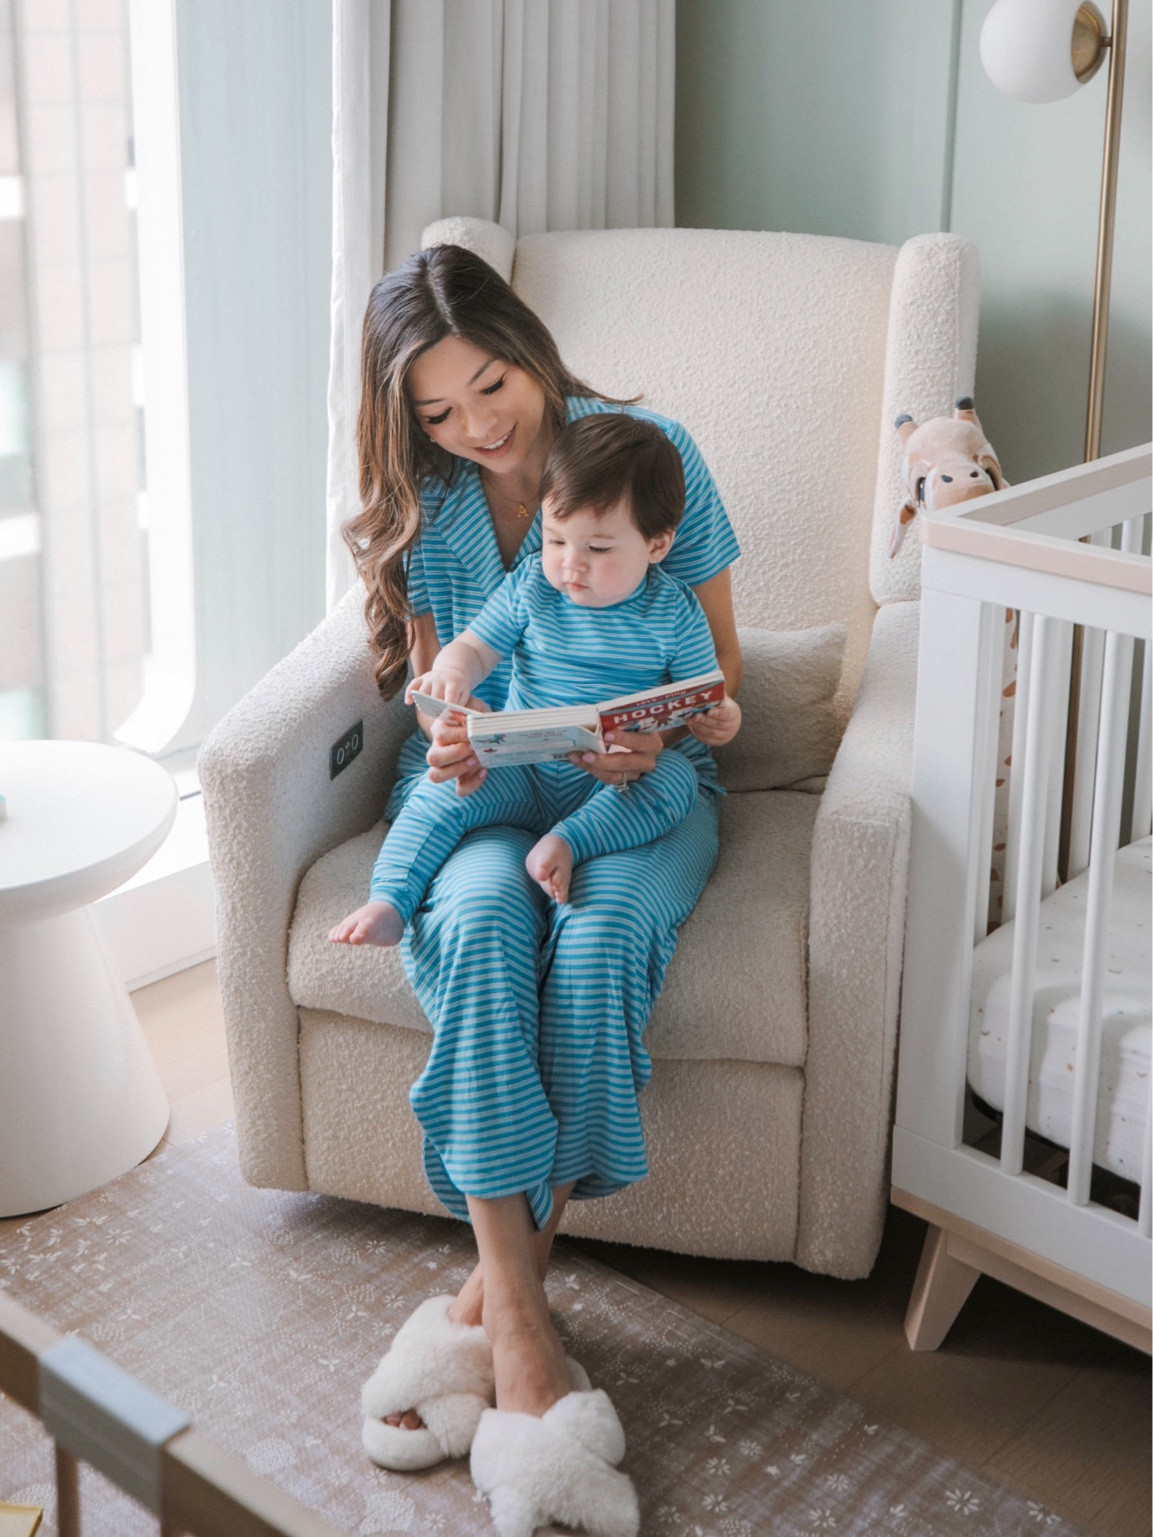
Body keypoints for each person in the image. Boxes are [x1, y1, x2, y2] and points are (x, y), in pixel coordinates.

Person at [344, 243, 741, 1535]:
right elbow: (434, 682)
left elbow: (715, 670)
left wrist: (657, 738)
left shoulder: (647, 451)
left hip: (640, 793)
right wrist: (449, 729)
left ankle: (477, 1310)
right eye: (437, 412)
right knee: (470, 925)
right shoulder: (436, 514)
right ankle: (520, 1331)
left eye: (491, 382)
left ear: (531, 343)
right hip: (492, 793)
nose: (475, 426)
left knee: (600, 940)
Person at [329, 413, 741, 945]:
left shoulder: (674, 612)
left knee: (676, 781)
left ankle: (569, 843)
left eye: (597, 549)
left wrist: (719, 718)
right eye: (555, 540)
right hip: (521, 767)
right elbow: (474, 648)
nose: (571, 565)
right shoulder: (531, 588)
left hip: (614, 781)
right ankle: (389, 898)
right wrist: (451, 673)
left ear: (656, 545)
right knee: (443, 792)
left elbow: (700, 695)